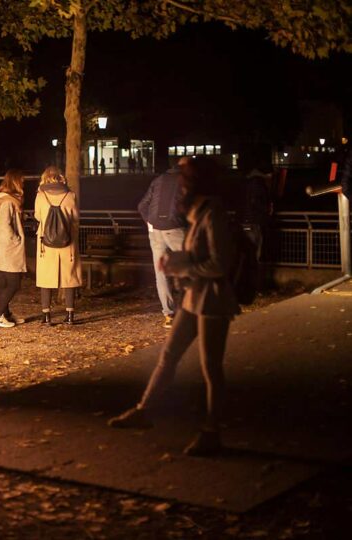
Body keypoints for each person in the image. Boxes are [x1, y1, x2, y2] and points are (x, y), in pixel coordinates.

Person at [109, 157, 240, 457]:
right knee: (169, 354)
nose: (181, 183)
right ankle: (144, 411)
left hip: (213, 299)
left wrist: (182, 266)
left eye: (187, 177)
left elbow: (220, 264)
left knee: (211, 367)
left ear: (199, 181)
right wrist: (183, 265)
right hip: (196, 295)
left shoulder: (212, 213)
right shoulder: (200, 211)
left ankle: (211, 431)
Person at [138, 162, 187, 328]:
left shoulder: (158, 180)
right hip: (175, 229)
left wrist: (150, 222)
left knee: (161, 273)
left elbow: (142, 205)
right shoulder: (185, 181)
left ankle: (168, 314)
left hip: (155, 230)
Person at [34, 166, 83, 325]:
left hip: (46, 242)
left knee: (46, 277)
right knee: (69, 277)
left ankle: (46, 315)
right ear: (61, 177)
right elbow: (75, 218)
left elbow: (37, 216)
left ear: (45, 178)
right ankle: (70, 315)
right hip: (66, 241)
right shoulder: (70, 195)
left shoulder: (41, 196)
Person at [0, 169, 27, 328]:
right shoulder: (9, 202)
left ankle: (6, 314)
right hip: (8, 247)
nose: (23, 184)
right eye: (22, 181)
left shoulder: (2, 199)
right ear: (16, 182)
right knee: (14, 283)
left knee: (3, 283)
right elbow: (5, 225)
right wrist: (16, 239)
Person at [241, 168, 272, 262]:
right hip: (254, 222)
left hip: (247, 221)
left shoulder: (248, 184)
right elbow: (255, 202)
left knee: (249, 252)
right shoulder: (258, 184)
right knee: (255, 252)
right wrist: (267, 209)